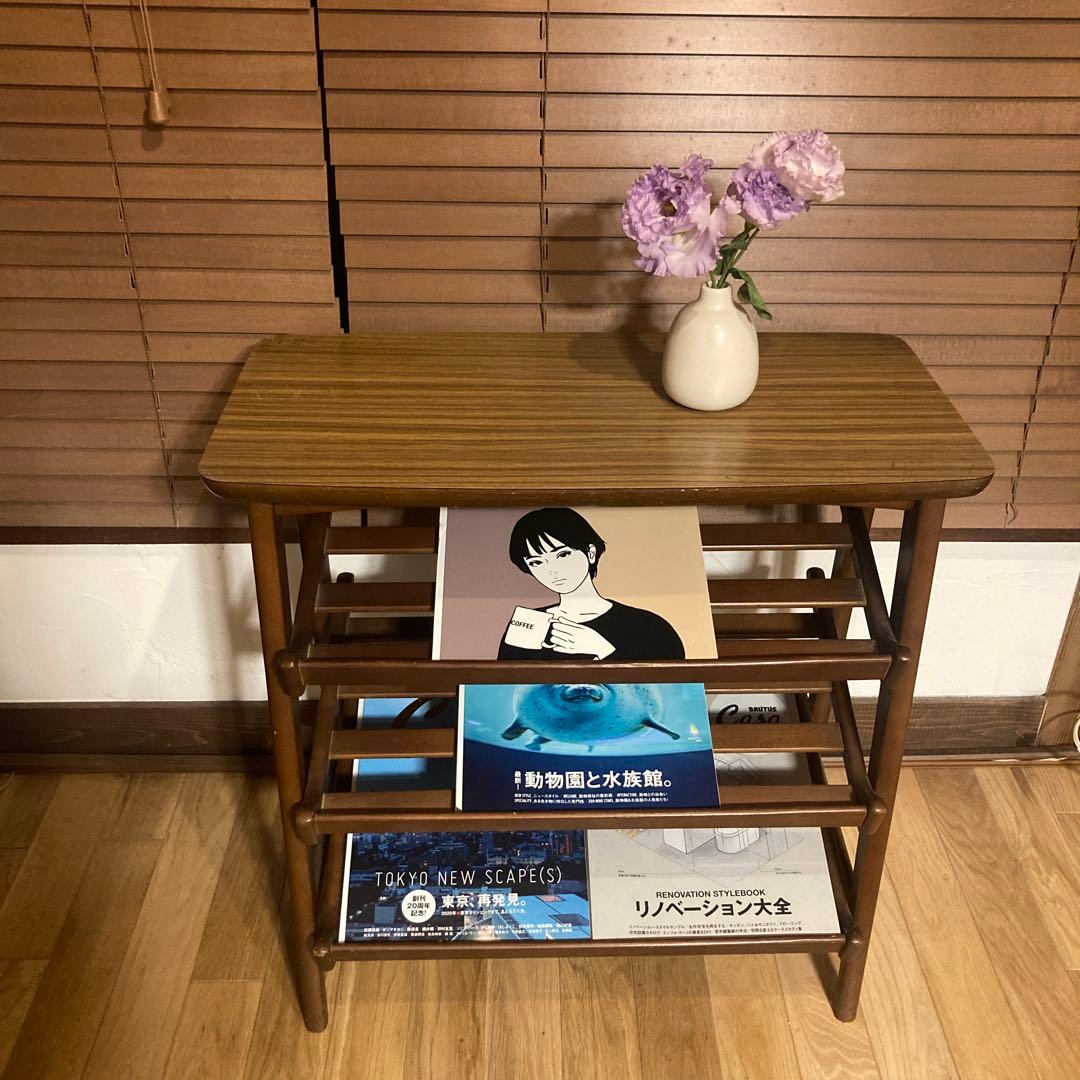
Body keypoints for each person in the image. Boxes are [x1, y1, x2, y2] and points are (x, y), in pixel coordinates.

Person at [497, 507, 685, 661]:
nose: (551, 570)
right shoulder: (526, 625)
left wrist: (601, 648)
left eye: (563, 555)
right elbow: (504, 684)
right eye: (536, 563)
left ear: (590, 553)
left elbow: (670, 686)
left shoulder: (647, 625)